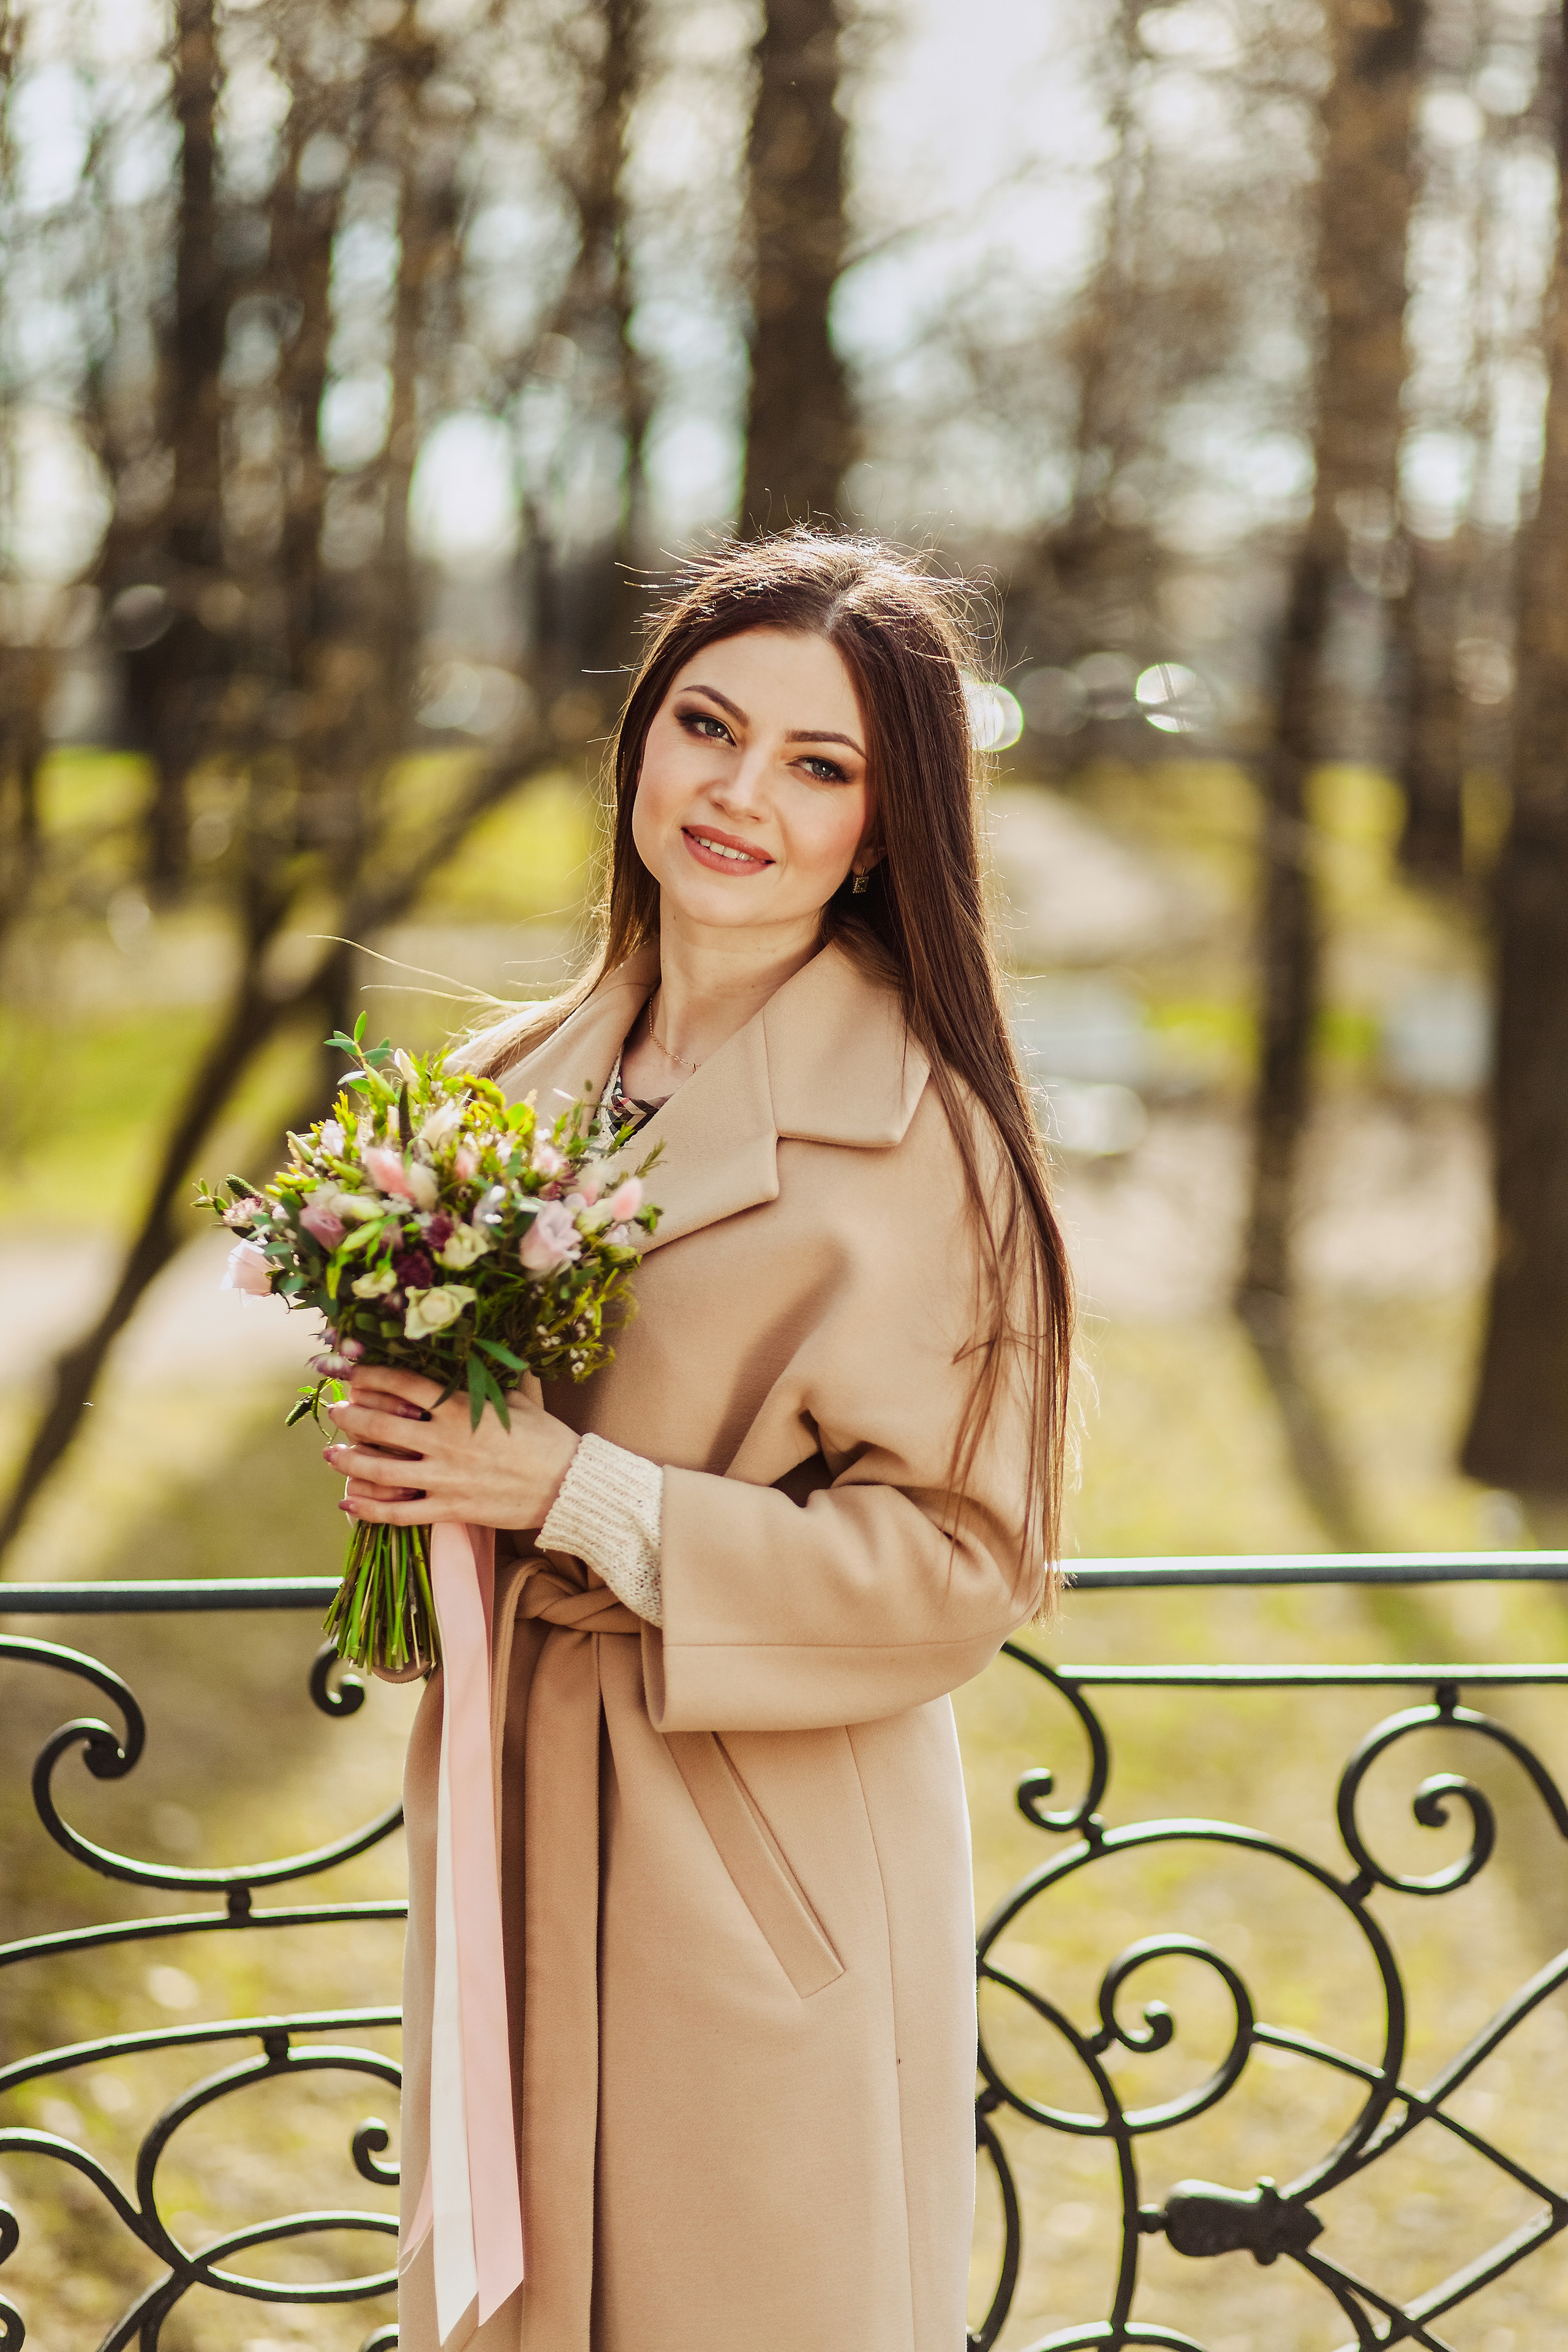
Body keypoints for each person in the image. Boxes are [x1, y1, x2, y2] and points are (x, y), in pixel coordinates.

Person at [320, 529, 1074, 2352]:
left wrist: (576, 1493)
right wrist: (406, 1459)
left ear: (888, 831)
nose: (742, 794)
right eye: (707, 728)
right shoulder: (504, 1084)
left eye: (821, 766)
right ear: (639, 743)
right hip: (512, 1803)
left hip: (757, 1846)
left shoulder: (935, 1141)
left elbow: (965, 1573)